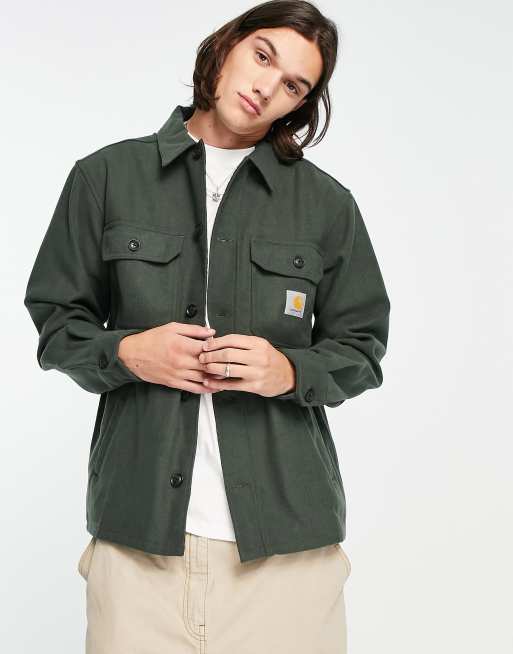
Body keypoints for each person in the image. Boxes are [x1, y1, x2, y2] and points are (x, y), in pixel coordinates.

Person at [24, 1, 390, 652]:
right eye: (262, 56)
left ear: (301, 105)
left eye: (293, 85)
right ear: (226, 45)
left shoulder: (326, 205)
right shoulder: (105, 178)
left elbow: (362, 348)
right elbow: (57, 325)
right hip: (139, 552)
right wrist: (127, 352)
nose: (267, 87)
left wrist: (288, 370)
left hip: (287, 557)